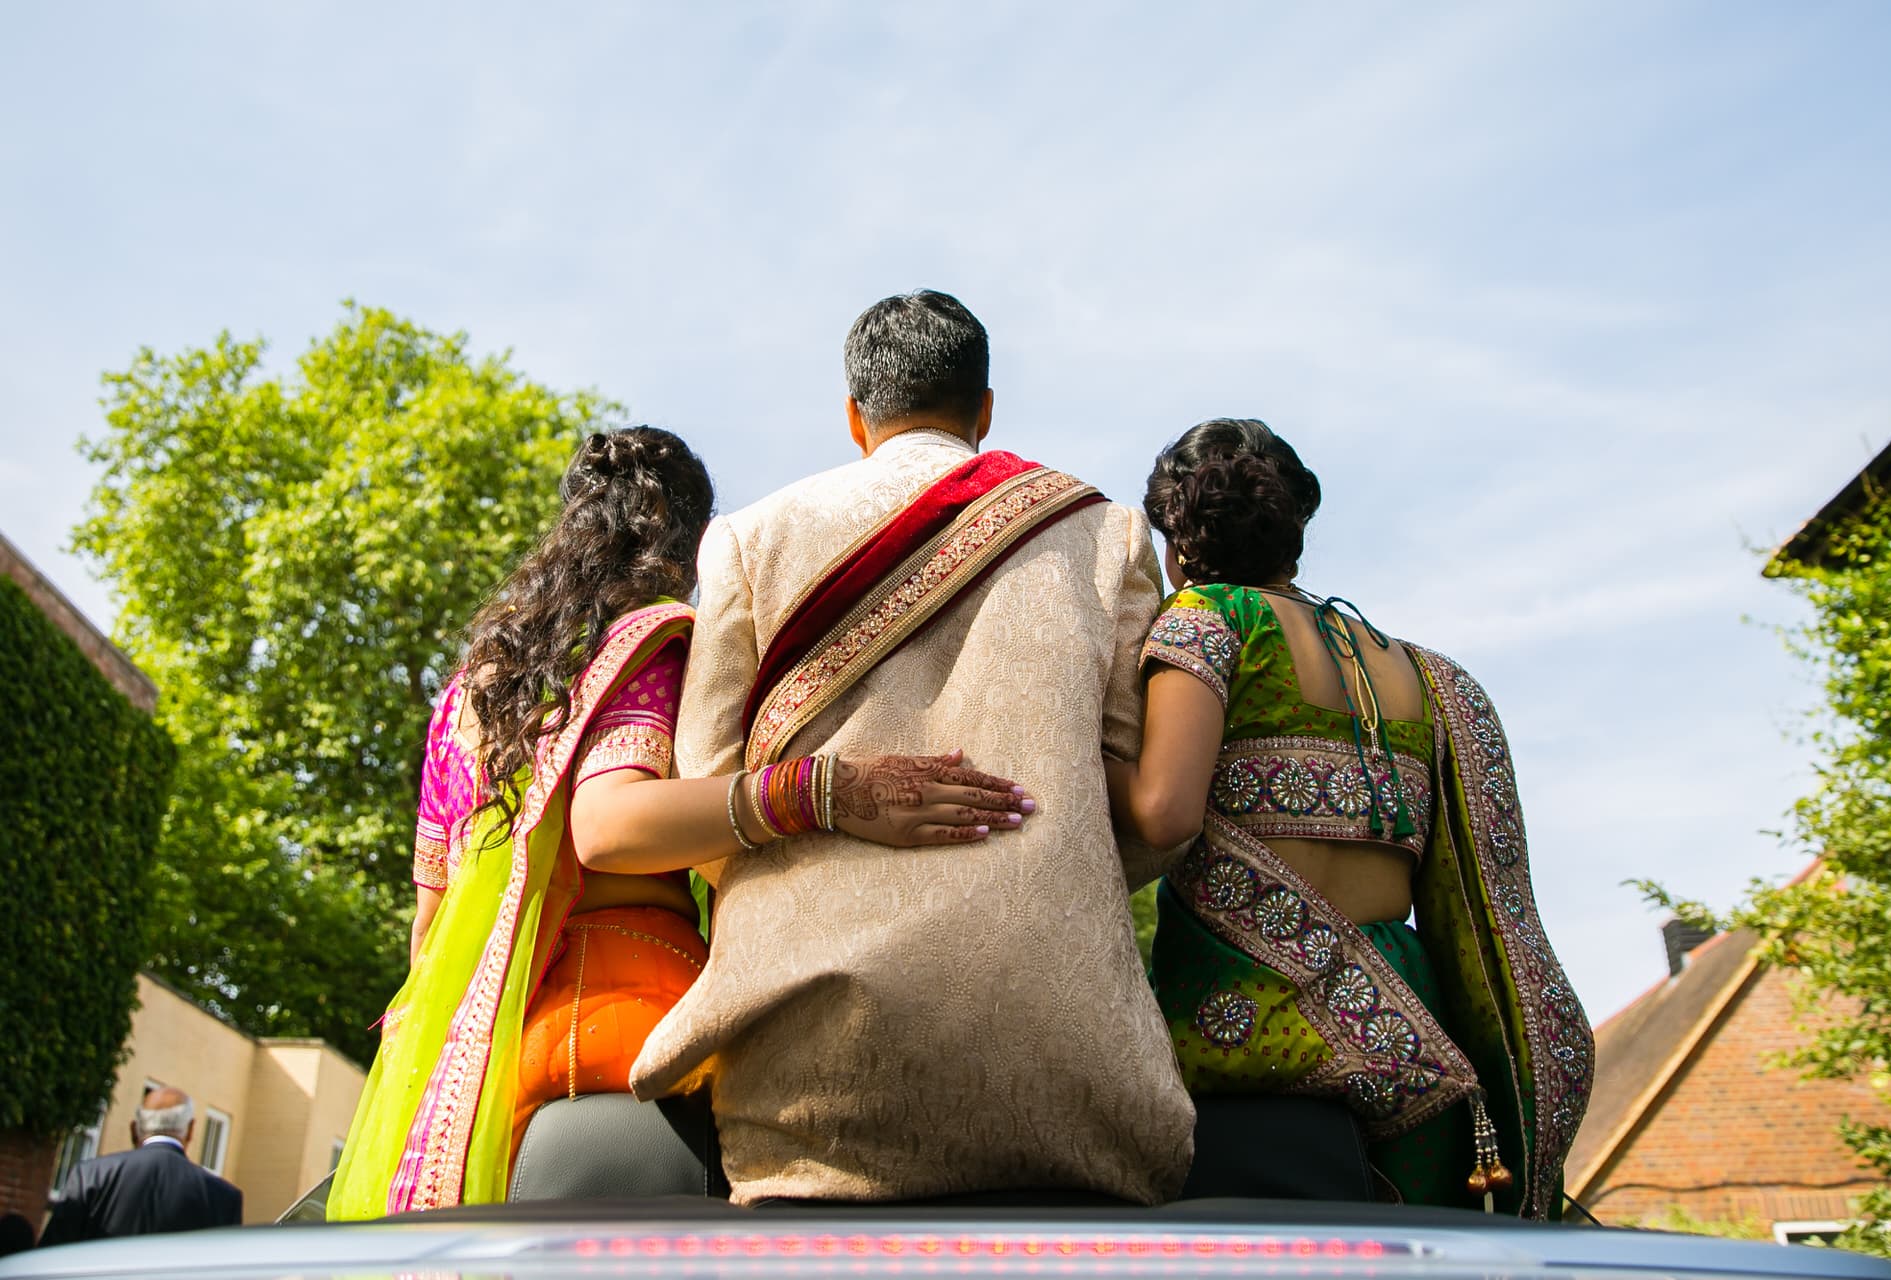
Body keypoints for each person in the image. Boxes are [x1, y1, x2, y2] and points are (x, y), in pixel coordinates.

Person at [329, 427, 1028, 1218]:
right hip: (623, 1020)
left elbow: (431, 929)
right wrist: (819, 791)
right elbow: (609, 826)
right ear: (690, 544)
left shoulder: (469, 695)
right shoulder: (647, 642)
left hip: (460, 1070)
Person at [630, 290, 1195, 1206]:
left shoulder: (747, 541)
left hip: (809, 1062)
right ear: (985, 411)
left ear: (855, 416)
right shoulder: (1104, 533)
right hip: (1070, 1055)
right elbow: (1143, 820)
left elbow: (707, 800)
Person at [1104, 418, 1594, 1218]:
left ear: (1178, 538)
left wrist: (1068, 748)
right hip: (1412, 1029)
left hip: (1262, 1040)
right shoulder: (1413, 668)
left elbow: (1163, 812)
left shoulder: (1209, 621)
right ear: (1296, 525)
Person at [39, 1087, 242, 1244]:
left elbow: (53, 1254)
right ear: (190, 1130)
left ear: (135, 1128)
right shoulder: (223, 1197)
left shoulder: (91, 1175)